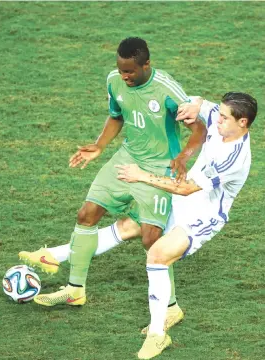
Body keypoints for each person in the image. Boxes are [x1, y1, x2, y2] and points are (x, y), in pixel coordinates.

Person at [30, 37, 206, 307]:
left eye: (130, 71)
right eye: (121, 69)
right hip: (126, 159)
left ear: (146, 64)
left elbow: (199, 129)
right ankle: (75, 289)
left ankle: (170, 307)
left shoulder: (166, 89)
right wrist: (99, 146)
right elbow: (117, 115)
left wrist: (183, 156)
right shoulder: (114, 80)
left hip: (159, 168)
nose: (124, 76)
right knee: (86, 214)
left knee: (151, 240)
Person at [115, 92, 258, 359]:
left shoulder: (234, 159)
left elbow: (186, 189)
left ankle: (158, 335)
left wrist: (141, 176)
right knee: (130, 227)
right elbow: (203, 103)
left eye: (225, 118)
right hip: (184, 200)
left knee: (157, 255)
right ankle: (67, 273)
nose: (217, 120)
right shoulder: (221, 115)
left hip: (203, 216)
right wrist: (191, 105)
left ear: (243, 123)